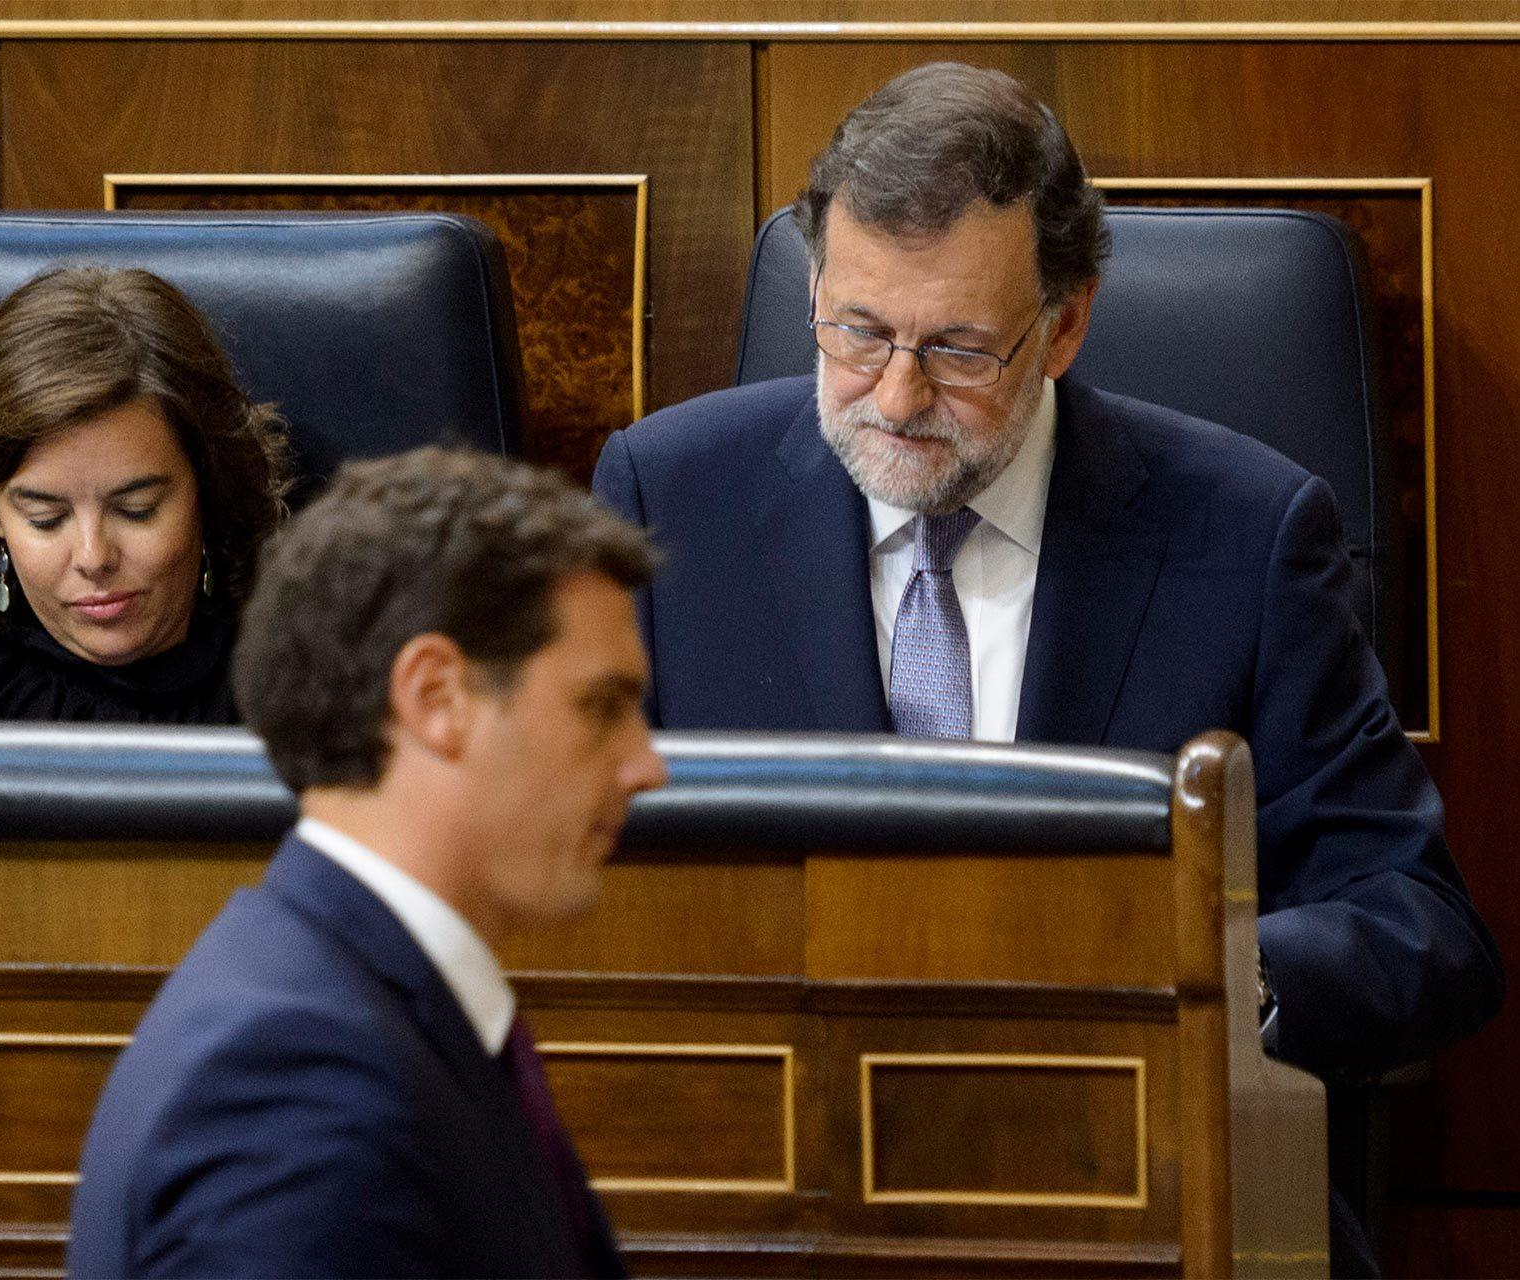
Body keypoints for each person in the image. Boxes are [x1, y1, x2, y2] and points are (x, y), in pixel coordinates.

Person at [592, 61, 1502, 1273]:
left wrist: (1200, 975)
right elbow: (565, 876)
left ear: (1063, 323)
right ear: (814, 287)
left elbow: (1421, 927)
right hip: (766, 1185)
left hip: (1132, 1180)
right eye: (857, 332)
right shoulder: (667, 498)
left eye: (959, 346)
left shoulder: (1244, 529)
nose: (898, 396)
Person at [66, 448, 665, 1279]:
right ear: (436, 697)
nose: (647, 766)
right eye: (602, 708)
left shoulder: (355, 1007)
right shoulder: (295, 1085)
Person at [0, 266, 292, 722]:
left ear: (205, 494)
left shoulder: (316, 712)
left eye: (136, 511)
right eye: (45, 518)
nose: (93, 557)